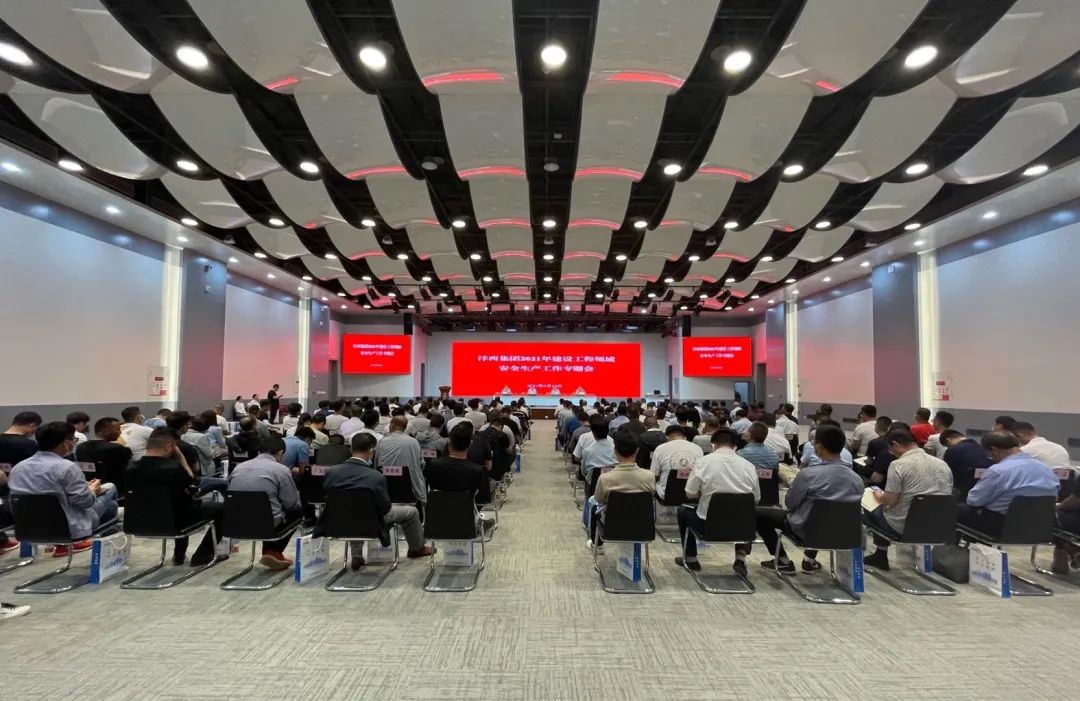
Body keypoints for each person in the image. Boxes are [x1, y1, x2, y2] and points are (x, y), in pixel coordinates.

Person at [756, 425, 863, 574]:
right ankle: (809, 560)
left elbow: (790, 503)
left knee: (758, 514)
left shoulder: (808, 474)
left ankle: (782, 560)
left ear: (819, 447)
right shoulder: (857, 479)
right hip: (842, 533)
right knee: (824, 516)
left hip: (806, 531)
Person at [321, 432, 436, 570]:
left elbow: (326, 497)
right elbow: (385, 508)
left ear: (351, 449)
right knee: (412, 512)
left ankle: (356, 555)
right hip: (371, 522)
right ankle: (417, 548)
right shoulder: (375, 476)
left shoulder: (331, 473)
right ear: (371, 451)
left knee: (353, 511)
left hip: (339, 521)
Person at [9, 422, 119, 554]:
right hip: (68, 528)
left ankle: (64, 544)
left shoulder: (18, 468)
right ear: (66, 443)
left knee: (111, 506)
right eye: (74, 440)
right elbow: (86, 502)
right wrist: (92, 489)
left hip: (29, 527)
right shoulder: (68, 468)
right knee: (110, 488)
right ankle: (93, 544)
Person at [127, 428, 226, 566]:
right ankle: (203, 555)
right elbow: (192, 485)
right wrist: (181, 459)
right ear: (169, 446)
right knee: (224, 509)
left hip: (138, 521)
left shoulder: (130, 468)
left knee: (176, 503)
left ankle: (179, 555)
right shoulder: (173, 467)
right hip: (175, 521)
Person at [862, 430, 953, 570]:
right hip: (937, 527)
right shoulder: (943, 464)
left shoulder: (898, 465)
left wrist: (877, 495)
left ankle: (880, 555)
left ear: (895, 444)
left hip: (903, 528)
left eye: (890, 449)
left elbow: (889, 500)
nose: (891, 453)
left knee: (870, 504)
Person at [676, 429, 760, 577]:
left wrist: (704, 494)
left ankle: (691, 558)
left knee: (683, 511)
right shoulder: (748, 465)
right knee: (744, 511)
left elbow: (690, 494)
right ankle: (740, 557)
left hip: (708, 526)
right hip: (742, 527)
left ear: (713, 445)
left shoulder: (703, 462)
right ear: (734, 446)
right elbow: (756, 498)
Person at [959, 432, 1059, 538]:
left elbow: (974, 501)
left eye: (989, 455)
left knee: (955, 510)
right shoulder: (1047, 469)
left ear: (994, 450)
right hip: (1040, 527)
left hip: (1002, 527)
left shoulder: (998, 471)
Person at [227, 434, 302, 570]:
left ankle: (272, 553)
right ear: (280, 453)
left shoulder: (238, 468)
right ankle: (273, 551)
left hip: (236, 523)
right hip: (268, 524)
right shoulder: (281, 470)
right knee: (297, 511)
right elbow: (291, 503)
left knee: (266, 509)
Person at [589, 432, 655, 551]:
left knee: (593, 506)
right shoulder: (649, 476)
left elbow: (599, 499)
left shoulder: (605, 478)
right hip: (642, 525)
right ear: (637, 451)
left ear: (615, 451)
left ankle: (597, 544)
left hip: (613, 525)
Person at [424, 422, 490, 504]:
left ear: (449, 443)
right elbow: (482, 499)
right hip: (465, 510)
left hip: (438, 508)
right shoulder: (478, 471)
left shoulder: (433, 465)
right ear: (470, 444)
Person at [374, 416, 426, 507]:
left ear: (392, 425)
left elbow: (376, 464)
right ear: (405, 427)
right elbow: (421, 464)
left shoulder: (381, 442)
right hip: (409, 489)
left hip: (386, 488)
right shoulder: (413, 442)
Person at [74, 417, 133, 492]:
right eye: (117, 429)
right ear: (105, 431)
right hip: (114, 490)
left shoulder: (81, 447)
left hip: (89, 488)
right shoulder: (117, 448)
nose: (120, 433)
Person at [650, 425, 704, 501]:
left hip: (667, 494)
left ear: (667, 437)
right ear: (684, 437)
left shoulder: (660, 448)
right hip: (693, 493)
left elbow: (653, 474)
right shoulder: (698, 448)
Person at [939, 429, 991, 498]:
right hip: (985, 491)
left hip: (963, 493)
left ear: (948, 440)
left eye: (947, 445)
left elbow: (947, 474)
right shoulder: (982, 448)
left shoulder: (953, 450)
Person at [738, 422, 780, 502]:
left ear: (749, 435)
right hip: (769, 496)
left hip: (747, 496)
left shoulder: (741, 454)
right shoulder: (774, 454)